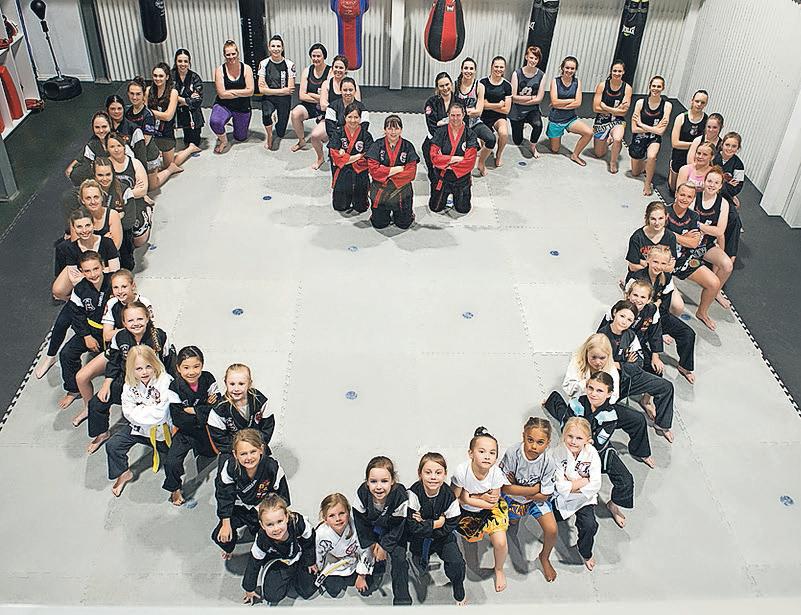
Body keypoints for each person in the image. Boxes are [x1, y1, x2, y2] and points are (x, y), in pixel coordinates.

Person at [545, 371, 633, 529]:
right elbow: (566, 428)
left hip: (598, 451)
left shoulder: (610, 415)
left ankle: (613, 505)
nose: (593, 393)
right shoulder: (576, 403)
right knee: (563, 416)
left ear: (609, 394)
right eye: (590, 388)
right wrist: (577, 438)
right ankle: (552, 400)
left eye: (600, 390)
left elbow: (599, 442)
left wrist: (582, 440)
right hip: (572, 443)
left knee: (626, 480)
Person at [84, 301, 171, 454]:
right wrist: (106, 384)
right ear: (123, 323)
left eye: (140, 319)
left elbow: (169, 362)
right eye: (130, 320)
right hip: (128, 382)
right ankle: (102, 433)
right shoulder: (119, 337)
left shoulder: (159, 336)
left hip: (154, 384)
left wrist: (170, 388)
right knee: (97, 403)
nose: (135, 323)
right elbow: (113, 361)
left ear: (147, 318)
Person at [562, 333, 654, 468]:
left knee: (638, 419)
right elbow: (568, 387)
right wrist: (586, 386)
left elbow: (614, 396)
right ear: (587, 353)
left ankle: (641, 452)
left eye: (602, 358)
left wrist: (601, 404)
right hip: (582, 405)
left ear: (608, 356)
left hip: (604, 406)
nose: (598, 362)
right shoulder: (577, 362)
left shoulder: (610, 368)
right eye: (593, 357)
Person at [597, 300, 675, 443]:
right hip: (609, 383)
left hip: (629, 378)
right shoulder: (601, 337)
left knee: (666, 386)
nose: (624, 322)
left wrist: (618, 364)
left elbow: (638, 363)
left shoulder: (631, 336)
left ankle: (662, 425)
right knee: (601, 413)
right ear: (614, 313)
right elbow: (600, 365)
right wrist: (625, 363)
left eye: (629, 320)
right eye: (622, 316)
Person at [105, 345, 177, 497]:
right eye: (138, 369)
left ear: (155, 364)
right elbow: (127, 412)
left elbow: (161, 414)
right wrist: (148, 410)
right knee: (113, 445)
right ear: (131, 369)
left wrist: (140, 408)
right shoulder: (129, 385)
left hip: (163, 432)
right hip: (139, 429)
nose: (144, 372)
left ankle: (175, 489)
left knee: (172, 462)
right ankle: (124, 473)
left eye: (148, 367)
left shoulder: (165, 381)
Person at [213, 429, 290, 558]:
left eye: (253, 452)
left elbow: (282, 497)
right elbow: (224, 496)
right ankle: (229, 549)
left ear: (261, 449)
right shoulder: (230, 468)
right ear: (235, 454)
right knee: (220, 536)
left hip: (262, 508)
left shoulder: (272, 468)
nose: (249, 458)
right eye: (243, 454)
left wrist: (275, 518)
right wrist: (226, 523)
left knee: (275, 535)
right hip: (239, 508)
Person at [499, 417, 558, 582]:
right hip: (513, 499)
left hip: (536, 501)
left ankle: (544, 557)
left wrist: (519, 487)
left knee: (552, 529)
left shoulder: (548, 462)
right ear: (523, 436)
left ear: (548, 443)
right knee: (512, 523)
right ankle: (514, 521)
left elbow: (545, 495)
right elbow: (505, 488)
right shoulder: (513, 453)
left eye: (540, 442)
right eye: (530, 440)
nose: (534, 446)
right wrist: (534, 489)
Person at [626, 245, 696, 383]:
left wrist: (659, 322)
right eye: (655, 262)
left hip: (660, 316)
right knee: (649, 360)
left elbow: (665, 303)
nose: (658, 266)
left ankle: (684, 366)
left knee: (688, 334)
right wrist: (653, 306)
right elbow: (629, 304)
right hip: (639, 321)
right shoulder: (636, 278)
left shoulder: (667, 278)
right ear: (648, 259)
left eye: (663, 263)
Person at [451, 426, 509, 593]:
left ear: (496, 457)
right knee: (471, 542)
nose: (487, 456)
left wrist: (470, 497)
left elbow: (492, 503)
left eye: (492, 453)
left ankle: (499, 569)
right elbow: (456, 498)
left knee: (501, 542)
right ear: (471, 453)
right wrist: (478, 497)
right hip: (466, 511)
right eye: (482, 451)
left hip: (489, 511)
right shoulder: (461, 472)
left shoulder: (496, 474)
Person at [53, 251, 111, 411]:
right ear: (81, 271)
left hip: (113, 331)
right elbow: (77, 315)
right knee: (66, 354)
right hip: (91, 329)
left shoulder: (114, 282)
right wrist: (86, 336)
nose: (93, 274)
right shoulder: (79, 289)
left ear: (103, 266)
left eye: (96, 269)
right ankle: (73, 389)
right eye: (87, 271)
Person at [163, 346, 220, 506]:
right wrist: (204, 408)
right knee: (171, 462)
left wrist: (194, 410)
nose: (191, 372)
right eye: (186, 367)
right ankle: (175, 489)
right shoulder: (174, 388)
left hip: (205, 429)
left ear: (202, 365)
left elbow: (217, 406)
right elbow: (179, 418)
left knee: (210, 455)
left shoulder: (208, 379)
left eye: (196, 366)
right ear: (178, 368)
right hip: (184, 432)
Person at [406, 452, 466, 605]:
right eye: (428, 472)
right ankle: (419, 560)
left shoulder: (449, 496)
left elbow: (452, 523)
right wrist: (436, 523)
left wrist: (426, 524)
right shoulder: (413, 493)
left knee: (457, 562)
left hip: (442, 537)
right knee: (419, 561)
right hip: (419, 538)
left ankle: (457, 584)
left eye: (438, 473)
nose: (433, 477)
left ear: (445, 474)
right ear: (420, 474)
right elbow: (412, 526)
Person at [352, 456, 412, 605]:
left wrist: (384, 546)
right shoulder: (362, 493)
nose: (379, 487)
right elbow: (360, 523)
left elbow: (399, 524)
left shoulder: (400, 495)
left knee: (399, 559)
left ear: (392, 481)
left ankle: (402, 599)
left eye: (384, 481)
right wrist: (373, 544)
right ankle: (378, 569)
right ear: (367, 482)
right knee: (371, 551)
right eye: (373, 481)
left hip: (395, 531)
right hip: (372, 529)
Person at [666, 182, 722, 330]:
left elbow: (693, 244)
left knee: (714, 283)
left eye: (689, 197)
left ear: (692, 199)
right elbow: (659, 235)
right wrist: (683, 237)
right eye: (682, 194)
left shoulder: (694, 216)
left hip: (686, 260)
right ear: (676, 194)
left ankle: (702, 312)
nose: (684, 199)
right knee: (676, 305)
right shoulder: (664, 212)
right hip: (665, 262)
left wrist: (672, 235)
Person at [242, 495, 317, 605]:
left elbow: (309, 540)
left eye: (280, 521)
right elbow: (254, 563)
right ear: (262, 525)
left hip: (299, 556)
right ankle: (287, 575)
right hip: (279, 562)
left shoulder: (298, 523)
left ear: (286, 517)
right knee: (272, 596)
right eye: (270, 524)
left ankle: (297, 574)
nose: (276, 528)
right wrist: (249, 588)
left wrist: (310, 561)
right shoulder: (262, 539)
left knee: (308, 591)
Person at [551, 417, 601, 571]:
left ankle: (585, 552)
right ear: (564, 435)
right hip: (562, 498)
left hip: (584, 499)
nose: (573, 441)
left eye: (579, 438)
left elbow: (596, 484)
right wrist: (583, 481)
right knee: (550, 521)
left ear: (587, 440)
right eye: (570, 436)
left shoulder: (592, 454)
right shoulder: (557, 452)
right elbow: (560, 486)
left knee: (590, 526)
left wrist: (571, 484)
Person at [52, 205, 120, 301]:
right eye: (79, 227)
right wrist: (104, 270)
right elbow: (75, 279)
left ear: (93, 225)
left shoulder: (107, 242)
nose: (84, 230)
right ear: (74, 228)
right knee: (58, 290)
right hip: (89, 282)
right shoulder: (71, 248)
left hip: (105, 281)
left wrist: (84, 274)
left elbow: (115, 272)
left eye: (87, 225)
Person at [207, 363, 274, 457]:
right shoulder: (219, 409)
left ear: (249, 383)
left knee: (271, 465)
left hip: (257, 447)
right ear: (225, 383)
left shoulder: (259, 400)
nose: (236, 389)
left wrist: (254, 446)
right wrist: (241, 449)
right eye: (232, 384)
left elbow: (267, 427)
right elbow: (220, 439)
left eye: (241, 384)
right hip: (231, 452)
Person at [366, 115, 419, 230]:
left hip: (401, 192)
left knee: (404, 224)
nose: (393, 132)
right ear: (384, 130)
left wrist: (384, 171)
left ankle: (407, 214)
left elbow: (411, 173)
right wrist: (398, 169)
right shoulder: (377, 145)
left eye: (396, 128)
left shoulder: (408, 146)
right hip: (381, 190)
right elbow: (373, 171)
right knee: (379, 224)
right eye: (390, 128)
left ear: (401, 130)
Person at [315, 493, 373, 598]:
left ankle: (357, 576)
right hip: (334, 561)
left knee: (366, 587)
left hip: (353, 560)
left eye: (341, 513)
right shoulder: (321, 533)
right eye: (332, 515)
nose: (338, 519)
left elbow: (366, 551)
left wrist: (362, 576)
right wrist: (318, 568)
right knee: (334, 590)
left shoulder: (357, 527)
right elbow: (318, 552)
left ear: (348, 512)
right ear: (325, 518)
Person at [694, 166, 734, 309]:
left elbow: (719, 231)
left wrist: (699, 225)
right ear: (704, 181)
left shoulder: (723, 203)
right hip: (689, 242)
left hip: (706, 245)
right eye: (709, 181)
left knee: (727, 265)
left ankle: (716, 291)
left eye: (716, 183)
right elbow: (686, 221)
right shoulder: (695, 196)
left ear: (720, 186)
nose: (712, 185)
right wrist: (706, 229)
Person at [428, 101, 478, 214]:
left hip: (461, 179)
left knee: (463, 209)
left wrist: (445, 162)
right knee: (435, 208)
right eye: (452, 115)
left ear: (463, 115)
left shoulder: (470, 134)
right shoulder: (440, 132)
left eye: (458, 115)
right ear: (448, 115)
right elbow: (434, 157)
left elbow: (470, 162)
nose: (455, 118)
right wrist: (455, 159)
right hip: (442, 177)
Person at [102, 136, 151, 249]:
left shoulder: (134, 163)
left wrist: (125, 195)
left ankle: (147, 212)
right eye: (112, 146)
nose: (116, 149)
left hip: (133, 203)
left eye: (119, 146)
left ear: (124, 146)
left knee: (139, 241)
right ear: (107, 148)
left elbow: (143, 190)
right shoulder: (104, 166)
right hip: (112, 205)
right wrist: (131, 191)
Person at [311, 55, 359, 168]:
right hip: (329, 119)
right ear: (332, 68)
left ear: (346, 70)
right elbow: (323, 105)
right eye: (336, 67)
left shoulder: (352, 84)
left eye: (341, 68)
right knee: (315, 135)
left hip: (348, 120)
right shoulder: (326, 84)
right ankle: (320, 158)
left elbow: (358, 105)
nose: (338, 70)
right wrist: (337, 111)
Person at [629, 75, 671, 195]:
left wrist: (641, 124)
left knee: (652, 156)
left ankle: (647, 183)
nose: (655, 89)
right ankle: (645, 164)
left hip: (654, 139)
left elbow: (660, 132)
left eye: (659, 86)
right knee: (635, 172)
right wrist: (654, 129)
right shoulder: (640, 103)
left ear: (663, 88)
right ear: (649, 86)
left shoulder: (667, 106)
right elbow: (634, 129)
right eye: (654, 86)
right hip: (640, 136)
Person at [210, 40, 255, 154]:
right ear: (224, 55)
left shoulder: (247, 69)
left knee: (240, 137)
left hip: (242, 106)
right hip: (224, 105)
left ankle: (235, 123)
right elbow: (222, 95)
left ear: (237, 53)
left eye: (233, 54)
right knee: (215, 122)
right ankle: (223, 141)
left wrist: (231, 92)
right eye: (228, 55)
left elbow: (250, 91)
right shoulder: (220, 70)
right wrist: (242, 92)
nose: (231, 57)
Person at [547, 56, 593, 166]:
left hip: (570, 119)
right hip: (556, 120)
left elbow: (578, 103)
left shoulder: (577, 82)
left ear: (575, 70)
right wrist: (571, 100)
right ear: (562, 68)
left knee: (589, 132)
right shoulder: (555, 81)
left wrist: (559, 104)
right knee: (555, 149)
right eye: (567, 68)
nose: (569, 71)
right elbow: (554, 102)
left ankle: (575, 155)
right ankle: (553, 134)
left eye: (572, 68)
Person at [328, 103, 373, 213]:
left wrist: (345, 157)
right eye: (350, 117)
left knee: (361, 207)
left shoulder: (366, 135)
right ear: (345, 117)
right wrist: (359, 156)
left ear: (360, 118)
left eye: (356, 117)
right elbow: (335, 157)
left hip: (360, 172)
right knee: (340, 206)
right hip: (342, 171)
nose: (353, 120)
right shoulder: (338, 133)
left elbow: (369, 158)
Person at [92, 157, 136, 270]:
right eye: (100, 175)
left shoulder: (124, 191)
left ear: (113, 173)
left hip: (120, 234)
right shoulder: (90, 193)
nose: (104, 179)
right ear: (94, 175)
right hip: (97, 234)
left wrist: (113, 229)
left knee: (127, 265)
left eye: (108, 174)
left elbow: (129, 221)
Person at [453, 57, 496, 175]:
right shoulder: (455, 85)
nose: (468, 71)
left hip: (474, 123)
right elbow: (451, 108)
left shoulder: (479, 86)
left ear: (475, 71)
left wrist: (463, 112)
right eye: (466, 68)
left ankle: (481, 162)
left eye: (471, 68)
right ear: (461, 69)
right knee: (461, 148)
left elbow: (479, 111)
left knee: (491, 139)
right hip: (458, 125)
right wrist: (469, 111)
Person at [592, 60, 632, 174]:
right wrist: (616, 110)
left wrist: (605, 107)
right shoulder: (602, 85)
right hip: (602, 120)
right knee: (599, 154)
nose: (617, 73)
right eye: (615, 71)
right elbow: (595, 108)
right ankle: (608, 139)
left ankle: (613, 161)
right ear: (611, 71)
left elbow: (623, 112)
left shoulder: (627, 88)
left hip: (618, 120)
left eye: (619, 71)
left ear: (623, 72)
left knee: (618, 139)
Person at [257, 34, 296, 150]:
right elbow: (261, 90)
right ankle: (269, 136)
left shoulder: (289, 64)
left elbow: (290, 89)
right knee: (266, 114)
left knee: (280, 133)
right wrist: (282, 90)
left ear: (282, 48)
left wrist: (269, 90)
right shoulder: (263, 64)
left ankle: (277, 119)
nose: (276, 49)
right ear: (269, 48)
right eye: (273, 46)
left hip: (284, 99)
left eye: (278, 46)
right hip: (269, 99)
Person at [290, 43, 330, 152]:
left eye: (319, 56)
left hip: (325, 108)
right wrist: (319, 97)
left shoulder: (330, 72)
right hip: (309, 106)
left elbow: (329, 98)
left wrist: (311, 94)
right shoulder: (307, 70)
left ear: (324, 57)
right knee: (295, 113)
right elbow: (302, 95)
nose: (316, 59)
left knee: (322, 137)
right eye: (314, 56)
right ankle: (301, 141)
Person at [509, 46, 546, 158]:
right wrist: (531, 98)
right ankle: (521, 125)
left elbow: (539, 99)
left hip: (532, 110)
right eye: (531, 57)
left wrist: (523, 100)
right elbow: (513, 97)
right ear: (526, 57)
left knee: (538, 125)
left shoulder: (541, 75)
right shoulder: (517, 74)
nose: (533, 61)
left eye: (536, 58)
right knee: (517, 141)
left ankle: (533, 146)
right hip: (517, 110)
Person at [668, 89, 708, 192]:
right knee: (674, 189)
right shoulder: (681, 118)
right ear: (692, 100)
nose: (699, 104)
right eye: (697, 101)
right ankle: (672, 168)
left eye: (702, 102)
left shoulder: (706, 120)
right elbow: (675, 143)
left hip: (696, 156)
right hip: (679, 154)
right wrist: (694, 145)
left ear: (706, 104)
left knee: (689, 189)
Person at [714, 132, 745, 261]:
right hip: (708, 193)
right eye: (727, 145)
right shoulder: (713, 157)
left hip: (725, 197)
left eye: (734, 146)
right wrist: (726, 183)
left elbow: (737, 187)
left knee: (734, 218)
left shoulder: (738, 165)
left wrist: (720, 185)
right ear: (722, 144)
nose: (729, 148)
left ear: (738, 148)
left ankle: (730, 253)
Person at [145, 62, 181, 172]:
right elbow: (143, 114)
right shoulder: (148, 90)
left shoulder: (173, 92)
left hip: (166, 133)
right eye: (155, 76)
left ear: (167, 77)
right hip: (151, 132)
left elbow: (168, 116)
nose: (158, 79)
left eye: (161, 76)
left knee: (168, 166)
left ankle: (190, 149)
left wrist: (150, 112)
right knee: (151, 165)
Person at [478, 56, 512, 172]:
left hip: (499, 117)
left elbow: (506, 110)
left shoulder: (507, 86)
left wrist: (488, 105)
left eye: (501, 67)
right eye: (496, 66)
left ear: (504, 68)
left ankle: (499, 154)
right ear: (491, 67)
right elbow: (481, 105)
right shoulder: (483, 83)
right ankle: (484, 156)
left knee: (504, 133)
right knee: (486, 140)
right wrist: (498, 105)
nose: (498, 69)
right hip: (484, 116)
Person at [125, 76, 162, 180]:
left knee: (152, 186)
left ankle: (170, 169)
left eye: (138, 94)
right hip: (131, 153)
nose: (134, 97)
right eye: (132, 93)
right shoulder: (126, 111)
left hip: (148, 155)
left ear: (144, 95)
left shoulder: (148, 115)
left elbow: (144, 142)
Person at [625, 201, 677, 273]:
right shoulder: (637, 237)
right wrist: (660, 266)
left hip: (661, 276)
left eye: (660, 218)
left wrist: (644, 262)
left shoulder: (670, 237)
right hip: (640, 276)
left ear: (666, 217)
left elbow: (670, 268)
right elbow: (633, 267)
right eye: (653, 219)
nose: (657, 223)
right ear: (647, 218)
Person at [422, 72, 454, 183]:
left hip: (454, 141)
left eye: (447, 84)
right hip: (435, 140)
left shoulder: (459, 102)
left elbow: (464, 124)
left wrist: (441, 122)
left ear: (451, 84)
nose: (445, 88)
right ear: (437, 88)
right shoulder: (431, 102)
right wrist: (449, 122)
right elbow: (431, 125)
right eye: (441, 86)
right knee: (434, 175)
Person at [64, 112, 112, 185]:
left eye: (104, 126)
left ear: (110, 126)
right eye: (97, 127)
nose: (101, 130)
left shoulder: (119, 140)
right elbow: (85, 160)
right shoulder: (92, 143)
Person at [171, 48, 205, 150]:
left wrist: (179, 99)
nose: (183, 64)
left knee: (193, 142)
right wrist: (188, 99)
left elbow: (197, 101)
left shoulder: (195, 77)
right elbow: (167, 96)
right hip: (174, 110)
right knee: (169, 144)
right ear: (175, 62)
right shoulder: (170, 77)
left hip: (191, 112)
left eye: (185, 61)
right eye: (180, 61)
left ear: (189, 62)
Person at [105, 94, 146, 168]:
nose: (116, 111)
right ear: (107, 109)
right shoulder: (103, 128)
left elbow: (141, 157)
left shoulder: (134, 130)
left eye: (119, 108)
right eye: (112, 109)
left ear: (123, 109)